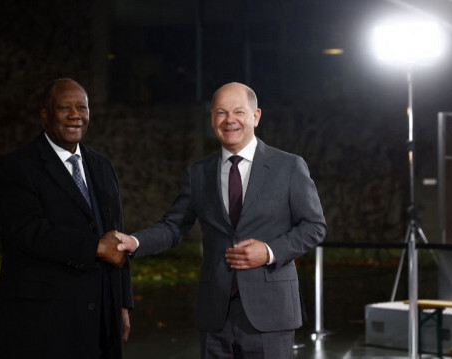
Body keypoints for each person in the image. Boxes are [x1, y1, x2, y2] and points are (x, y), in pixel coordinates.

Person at [117, 82, 326, 359]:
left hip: (271, 314)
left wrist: (269, 251)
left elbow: (314, 227)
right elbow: (173, 226)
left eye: (238, 111)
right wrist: (134, 241)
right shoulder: (199, 173)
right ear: (212, 119)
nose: (230, 120)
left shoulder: (288, 166)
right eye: (221, 113)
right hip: (215, 313)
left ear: (256, 116)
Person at [0, 78, 133, 359]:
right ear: (45, 114)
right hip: (44, 320)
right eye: (65, 108)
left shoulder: (101, 165)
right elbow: (28, 232)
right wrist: (95, 247)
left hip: (100, 314)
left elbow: (117, 234)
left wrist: (122, 303)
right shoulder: (17, 167)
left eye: (82, 107)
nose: (76, 115)